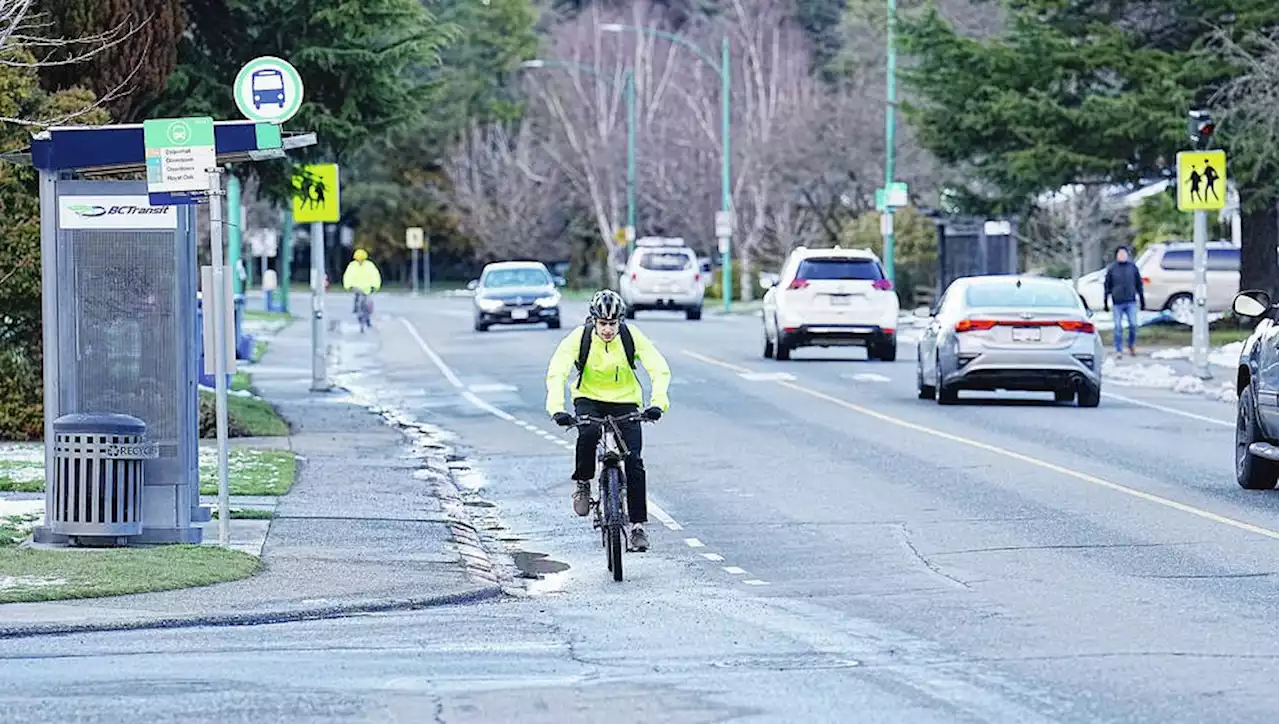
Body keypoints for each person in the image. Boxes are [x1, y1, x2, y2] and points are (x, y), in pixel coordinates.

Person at [545, 289, 670, 552]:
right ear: (593, 321)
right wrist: (557, 408)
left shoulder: (630, 337)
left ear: (620, 322)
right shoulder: (579, 338)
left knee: (634, 460)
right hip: (588, 398)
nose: (608, 330)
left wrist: (658, 403)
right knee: (588, 433)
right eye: (603, 324)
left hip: (625, 400)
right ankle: (583, 483)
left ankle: (637, 527)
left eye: (613, 324)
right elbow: (558, 371)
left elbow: (658, 368)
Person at [1103, 245, 1145, 357]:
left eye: (1124, 254)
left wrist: (1142, 299)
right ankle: (1118, 350)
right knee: (1118, 327)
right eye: (1120, 254)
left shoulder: (1132, 268)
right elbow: (1107, 286)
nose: (1122, 256)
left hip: (1131, 301)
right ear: (1116, 256)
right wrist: (1105, 302)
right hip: (1117, 302)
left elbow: (1139, 285)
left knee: (1133, 325)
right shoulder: (1112, 269)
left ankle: (1131, 345)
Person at [342, 248, 382, 316]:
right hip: (357, 287)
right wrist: (348, 285)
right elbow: (348, 276)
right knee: (357, 298)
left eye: (361, 260)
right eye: (358, 260)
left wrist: (376, 285)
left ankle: (368, 314)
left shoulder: (369, 265)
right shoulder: (352, 265)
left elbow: (375, 275)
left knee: (368, 301)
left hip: (368, 288)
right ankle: (356, 309)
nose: (360, 262)